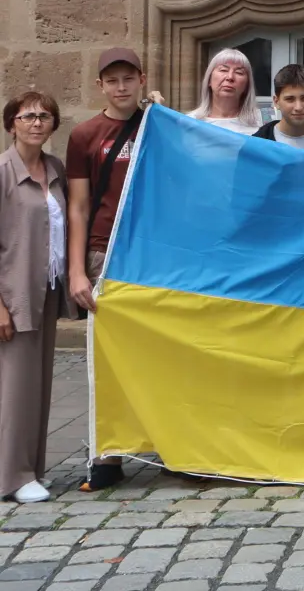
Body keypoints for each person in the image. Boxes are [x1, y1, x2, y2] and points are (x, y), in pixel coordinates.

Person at [67, 47, 162, 492]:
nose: (121, 87)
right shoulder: (85, 134)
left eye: (129, 78)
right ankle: (106, 454)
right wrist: (76, 270)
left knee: (156, 352)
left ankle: (165, 444)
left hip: (151, 252)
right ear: (100, 85)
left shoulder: (158, 123)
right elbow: (79, 206)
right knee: (104, 357)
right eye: (113, 80)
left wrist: (163, 113)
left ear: (141, 79)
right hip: (104, 252)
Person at [0, 92, 66, 504]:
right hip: (14, 291)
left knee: (38, 385)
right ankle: (13, 476)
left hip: (47, 290)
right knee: (16, 387)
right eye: (28, 116)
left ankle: (32, 469)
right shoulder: (2, 172)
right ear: (12, 124)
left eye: (44, 116)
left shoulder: (55, 168)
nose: (37, 122)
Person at [186, 48, 261, 134]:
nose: (230, 77)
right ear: (209, 80)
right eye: (223, 70)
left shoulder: (264, 121)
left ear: (247, 85)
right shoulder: (188, 122)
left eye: (239, 72)